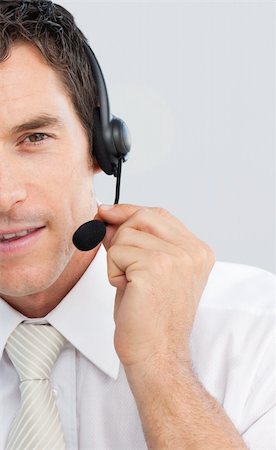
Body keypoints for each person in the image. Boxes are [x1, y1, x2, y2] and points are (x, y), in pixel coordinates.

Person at [0, 1, 274, 449]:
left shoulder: (254, 334)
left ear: (101, 148)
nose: (5, 195)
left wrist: (161, 364)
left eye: (34, 138)